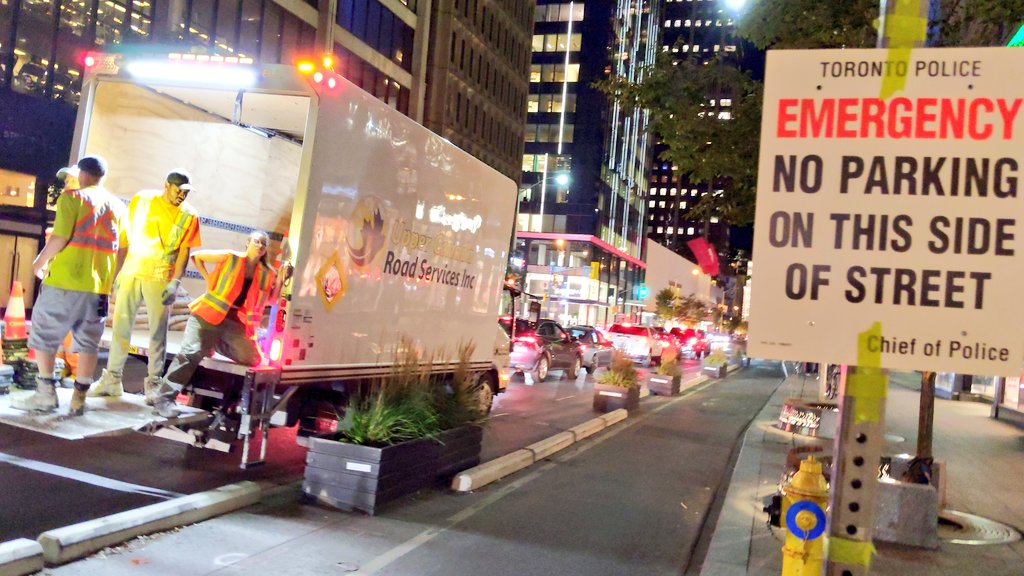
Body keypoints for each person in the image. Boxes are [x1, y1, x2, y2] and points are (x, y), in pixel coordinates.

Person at [15, 156, 127, 415]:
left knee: (44, 336)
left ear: (83, 175)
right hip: (97, 287)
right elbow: (123, 248)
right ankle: (79, 399)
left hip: (65, 281)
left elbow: (61, 237)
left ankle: (45, 395)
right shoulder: (118, 206)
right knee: (88, 343)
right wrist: (109, 279)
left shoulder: (72, 199)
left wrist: (39, 262)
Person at [88, 170, 202, 403]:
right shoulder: (143, 199)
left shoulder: (190, 215)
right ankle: (112, 379)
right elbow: (125, 236)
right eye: (179, 190)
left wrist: (175, 283)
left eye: (185, 192)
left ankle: (154, 383)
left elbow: (184, 252)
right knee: (121, 326)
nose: (182, 196)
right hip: (132, 271)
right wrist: (118, 272)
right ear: (167, 185)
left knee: (157, 333)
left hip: (160, 277)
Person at [151, 230, 278, 418]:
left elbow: (271, 300)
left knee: (253, 359)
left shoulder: (267, 273)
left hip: (234, 321)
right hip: (208, 314)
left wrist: (282, 279)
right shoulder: (231, 257)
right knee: (190, 354)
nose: (260, 246)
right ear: (248, 243)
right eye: (257, 242)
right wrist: (208, 278)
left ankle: (210, 342)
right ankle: (164, 399)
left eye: (263, 244)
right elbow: (197, 257)